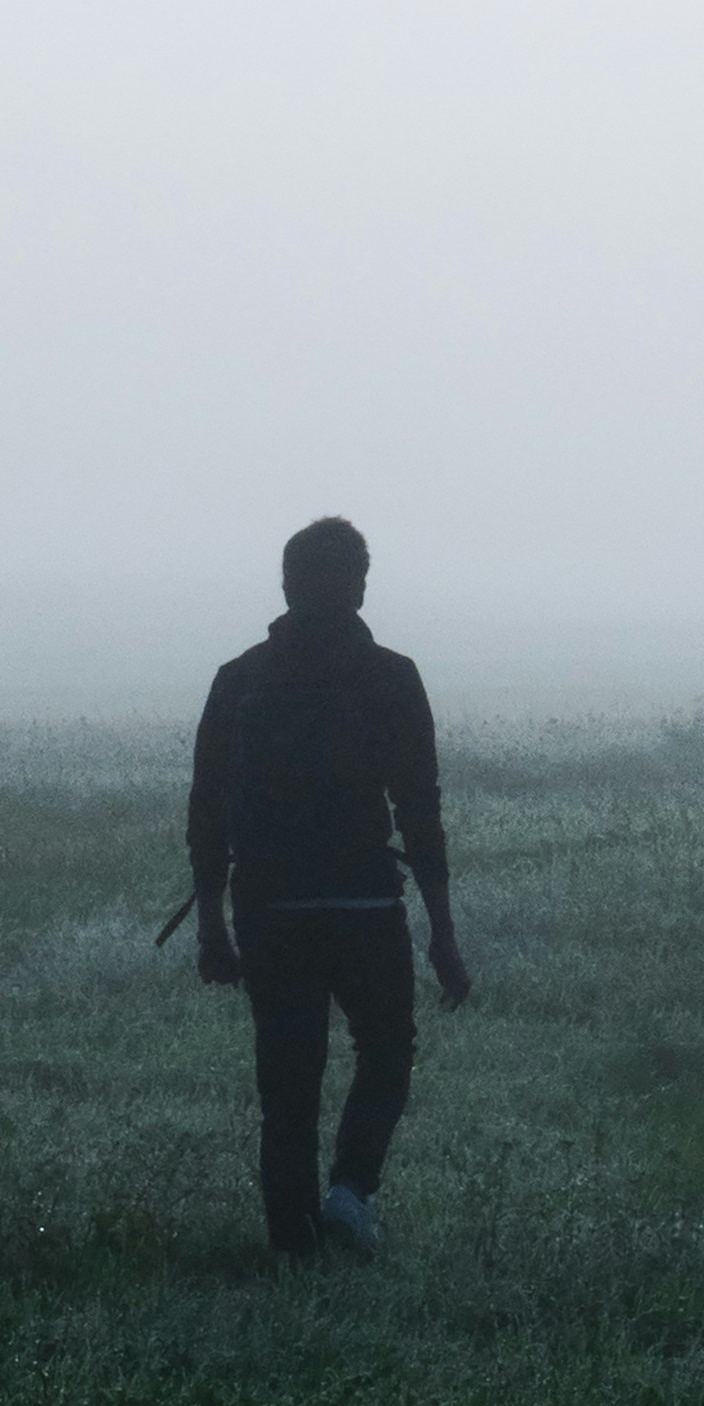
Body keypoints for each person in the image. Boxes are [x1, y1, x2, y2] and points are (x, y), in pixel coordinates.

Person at [187, 515, 471, 1254]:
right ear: (360, 587)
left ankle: (291, 1246)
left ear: (286, 585)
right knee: (388, 1051)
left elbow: (206, 813)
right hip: (366, 905)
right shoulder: (392, 676)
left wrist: (212, 923)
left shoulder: (239, 679)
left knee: (287, 1082)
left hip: (270, 910)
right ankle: (349, 1192)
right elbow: (420, 811)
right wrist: (442, 931)